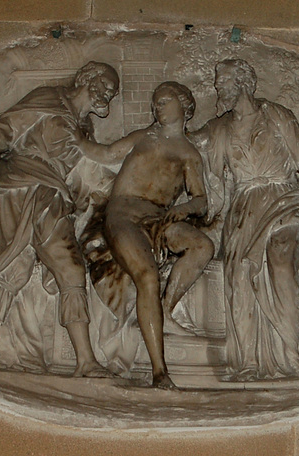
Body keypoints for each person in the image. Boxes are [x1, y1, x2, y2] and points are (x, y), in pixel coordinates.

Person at [0, 61, 120, 377]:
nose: (109, 93)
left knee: (15, 266)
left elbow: (85, 178)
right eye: (106, 84)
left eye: (113, 91)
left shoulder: (85, 130)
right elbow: (7, 129)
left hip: (52, 192)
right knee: (69, 267)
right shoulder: (49, 98)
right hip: (27, 186)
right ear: (87, 78)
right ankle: (85, 361)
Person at [191, 59, 299, 381]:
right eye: (217, 82)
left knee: (282, 264)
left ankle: (290, 355)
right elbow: (188, 142)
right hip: (245, 207)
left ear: (243, 82)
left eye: (223, 81)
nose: (218, 88)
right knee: (240, 276)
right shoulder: (219, 128)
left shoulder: (275, 114)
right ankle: (248, 362)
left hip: (284, 198)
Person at [76, 81, 214, 388]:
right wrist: (74, 136)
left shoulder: (189, 154)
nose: (158, 107)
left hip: (160, 218)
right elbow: (107, 152)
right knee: (147, 277)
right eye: (155, 103)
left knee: (203, 246)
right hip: (122, 214)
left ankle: (165, 307)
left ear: (184, 104)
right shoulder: (143, 137)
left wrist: (187, 208)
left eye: (164, 101)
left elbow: (202, 199)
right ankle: (159, 372)